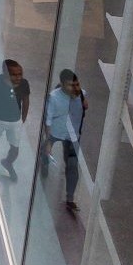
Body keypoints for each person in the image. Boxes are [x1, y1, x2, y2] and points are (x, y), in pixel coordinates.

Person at [43, 69, 88, 213]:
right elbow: (48, 120)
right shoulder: (53, 98)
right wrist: (49, 141)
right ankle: (44, 163)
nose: (75, 88)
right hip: (56, 132)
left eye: (76, 84)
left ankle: (70, 199)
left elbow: (84, 107)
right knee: (45, 151)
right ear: (62, 84)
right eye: (70, 85)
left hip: (72, 136)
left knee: (72, 166)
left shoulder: (82, 94)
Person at [0, 60, 30, 180]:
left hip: (15, 121)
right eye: (14, 75)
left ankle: (7, 162)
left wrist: (23, 117)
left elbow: (26, 100)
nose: (18, 77)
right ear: (5, 72)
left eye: (20, 74)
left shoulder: (24, 83)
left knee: (15, 148)